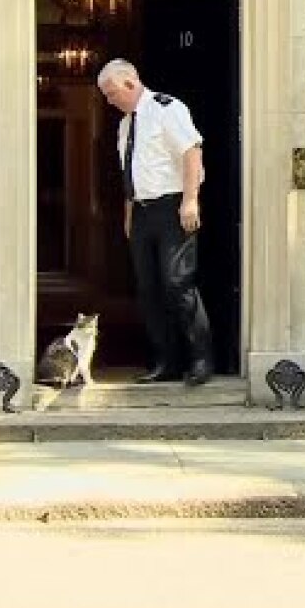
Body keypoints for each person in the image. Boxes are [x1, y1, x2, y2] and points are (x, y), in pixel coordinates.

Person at [96, 58, 213, 386]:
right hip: (142, 213)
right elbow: (130, 174)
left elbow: (192, 152)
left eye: (112, 93)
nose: (109, 101)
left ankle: (201, 358)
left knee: (177, 282)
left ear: (130, 83)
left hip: (171, 207)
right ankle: (166, 362)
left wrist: (190, 200)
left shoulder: (167, 109)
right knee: (148, 289)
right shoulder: (124, 125)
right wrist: (129, 216)